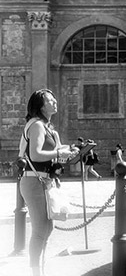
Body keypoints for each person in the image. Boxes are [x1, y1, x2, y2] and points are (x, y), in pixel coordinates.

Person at [18, 89, 78, 276]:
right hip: (34, 182)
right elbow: (35, 154)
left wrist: (75, 150)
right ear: (41, 106)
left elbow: (57, 153)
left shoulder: (48, 128)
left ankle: (40, 267)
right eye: (50, 100)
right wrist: (60, 153)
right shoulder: (36, 125)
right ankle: (36, 271)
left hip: (44, 181)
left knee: (47, 227)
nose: (55, 102)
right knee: (40, 229)